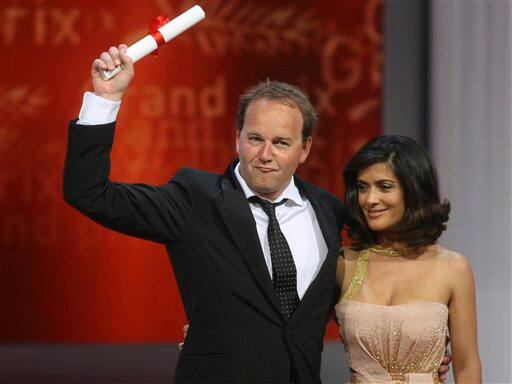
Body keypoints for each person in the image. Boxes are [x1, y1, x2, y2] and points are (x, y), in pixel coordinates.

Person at [64, 45, 451, 383]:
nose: (266, 155)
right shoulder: (194, 198)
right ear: (237, 138)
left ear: (304, 149)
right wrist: (105, 99)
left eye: (281, 142)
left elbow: (359, 293)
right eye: (255, 139)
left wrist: (412, 349)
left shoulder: (330, 211)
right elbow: (89, 193)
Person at [336, 135, 481, 383]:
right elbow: (300, 334)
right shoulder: (342, 263)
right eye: (363, 187)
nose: (370, 200)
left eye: (384, 186)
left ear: (414, 190)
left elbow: (467, 365)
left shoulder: (453, 268)